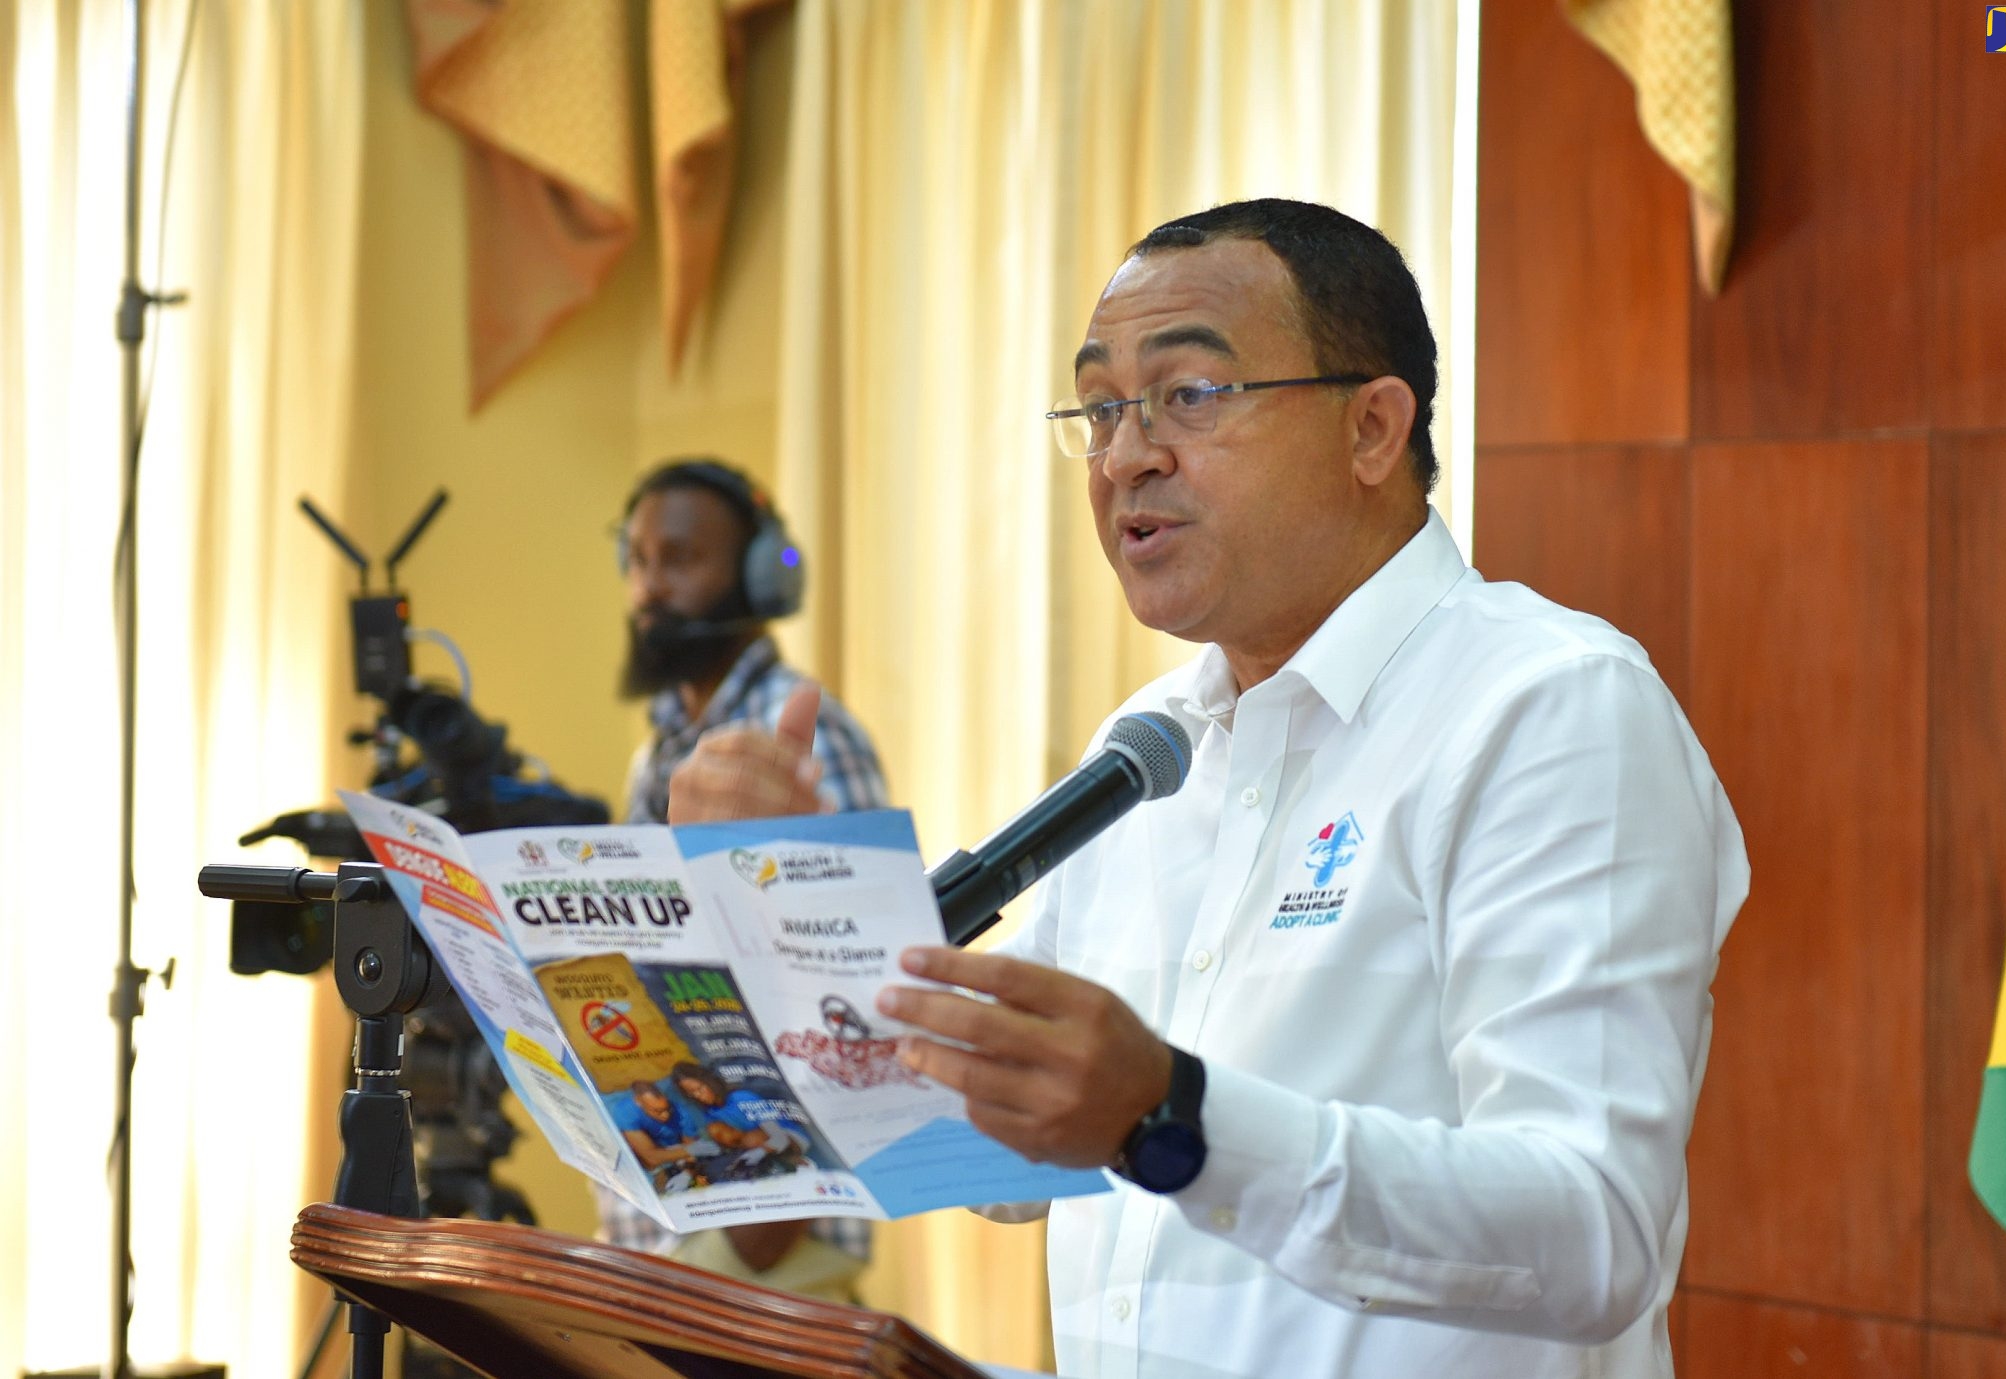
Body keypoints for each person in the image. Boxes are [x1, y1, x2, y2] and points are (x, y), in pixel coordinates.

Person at [664, 200, 1747, 1378]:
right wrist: (797, 924)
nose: (1126, 451)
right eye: (1100, 407)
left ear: (1372, 429)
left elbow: (1592, 1232)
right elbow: (1011, 1163)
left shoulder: (1547, 708)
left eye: (1189, 394)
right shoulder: (1151, 750)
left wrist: (1172, 1120)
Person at [603, 457, 885, 1301]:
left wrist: (769, 1215)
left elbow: (848, 981)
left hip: (766, 1245)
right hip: (666, 1231)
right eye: (639, 559)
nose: (651, 585)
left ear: (761, 575)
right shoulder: (656, 751)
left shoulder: (804, 733)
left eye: (681, 559)